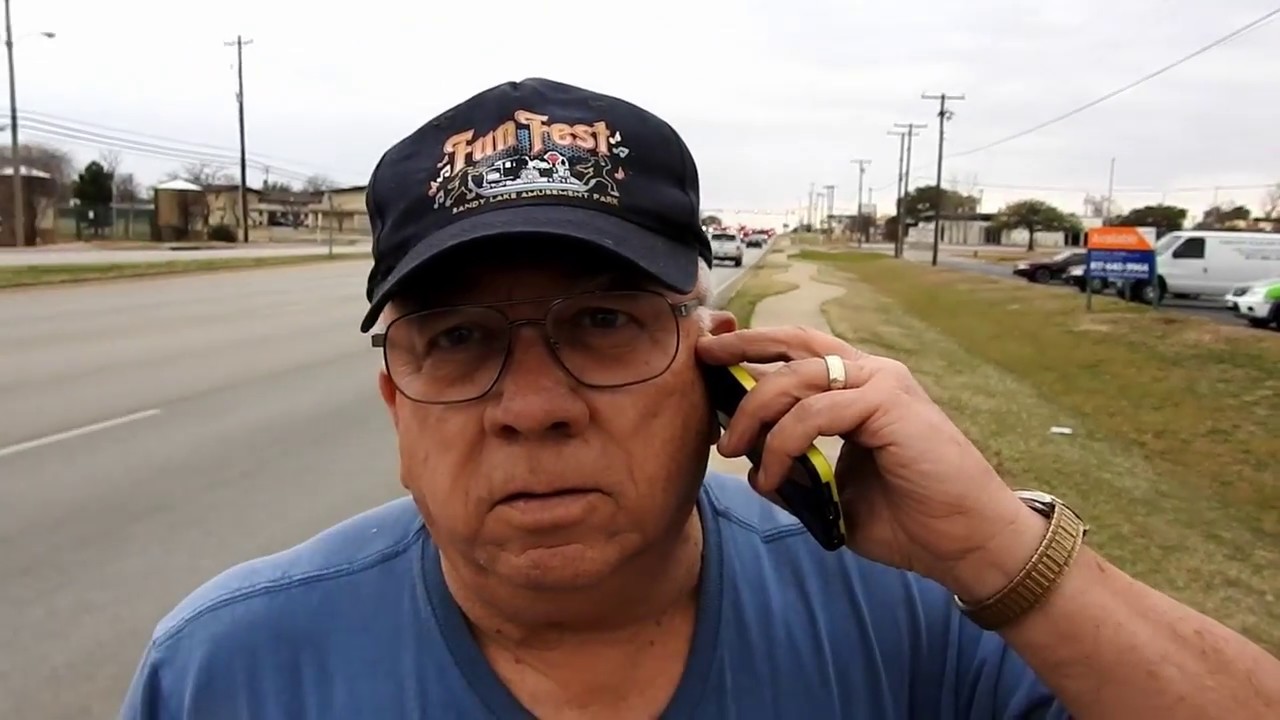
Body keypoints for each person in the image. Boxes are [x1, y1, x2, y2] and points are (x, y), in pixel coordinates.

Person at [121, 78, 1280, 719]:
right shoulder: (229, 671)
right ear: (395, 403)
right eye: (460, 340)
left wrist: (999, 553)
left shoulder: (913, 617)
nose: (534, 406)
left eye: (603, 322)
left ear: (715, 368)